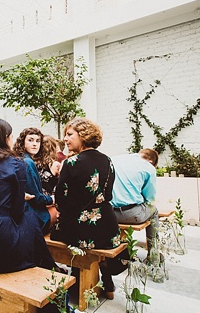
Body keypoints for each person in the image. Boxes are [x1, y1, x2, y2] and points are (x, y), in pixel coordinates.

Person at [0, 118, 60, 274]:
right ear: (6, 138)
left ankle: (49, 265)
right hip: (0, 251)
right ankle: (49, 266)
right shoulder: (16, 163)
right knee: (30, 218)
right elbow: (17, 211)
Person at [52, 117, 128, 300]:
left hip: (82, 230)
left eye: (69, 134)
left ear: (83, 135)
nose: (65, 140)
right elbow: (108, 194)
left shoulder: (71, 163)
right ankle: (107, 283)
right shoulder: (108, 160)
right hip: (108, 228)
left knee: (54, 233)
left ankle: (76, 282)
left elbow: (61, 201)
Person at [110, 148, 160, 252]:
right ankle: (153, 255)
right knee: (154, 211)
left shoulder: (114, 159)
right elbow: (149, 198)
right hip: (130, 214)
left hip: (108, 213)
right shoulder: (148, 167)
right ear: (151, 162)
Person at [13, 127, 55, 234]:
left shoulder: (21, 159)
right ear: (22, 143)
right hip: (31, 214)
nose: (35, 144)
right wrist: (52, 199)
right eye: (30, 140)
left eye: (38, 141)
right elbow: (36, 198)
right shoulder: (27, 162)